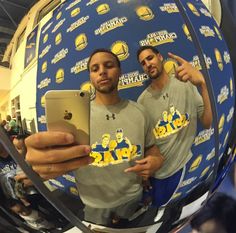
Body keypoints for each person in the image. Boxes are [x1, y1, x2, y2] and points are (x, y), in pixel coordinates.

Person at [18, 48, 164, 226]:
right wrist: (40, 166)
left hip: (132, 198)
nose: (102, 71)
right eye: (95, 69)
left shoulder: (140, 111)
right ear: (90, 77)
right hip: (94, 204)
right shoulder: (74, 118)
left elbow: (152, 150)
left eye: (108, 65)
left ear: (120, 72)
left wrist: (155, 161)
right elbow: (52, 158)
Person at [136, 46, 212, 207]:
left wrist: (203, 84)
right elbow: (146, 143)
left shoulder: (185, 85)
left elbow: (207, 122)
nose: (147, 64)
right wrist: (144, 176)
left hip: (179, 170)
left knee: (167, 208)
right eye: (143, 63)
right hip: (154, 174)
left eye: (150, 58)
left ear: (160, 57)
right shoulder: (142, 101)